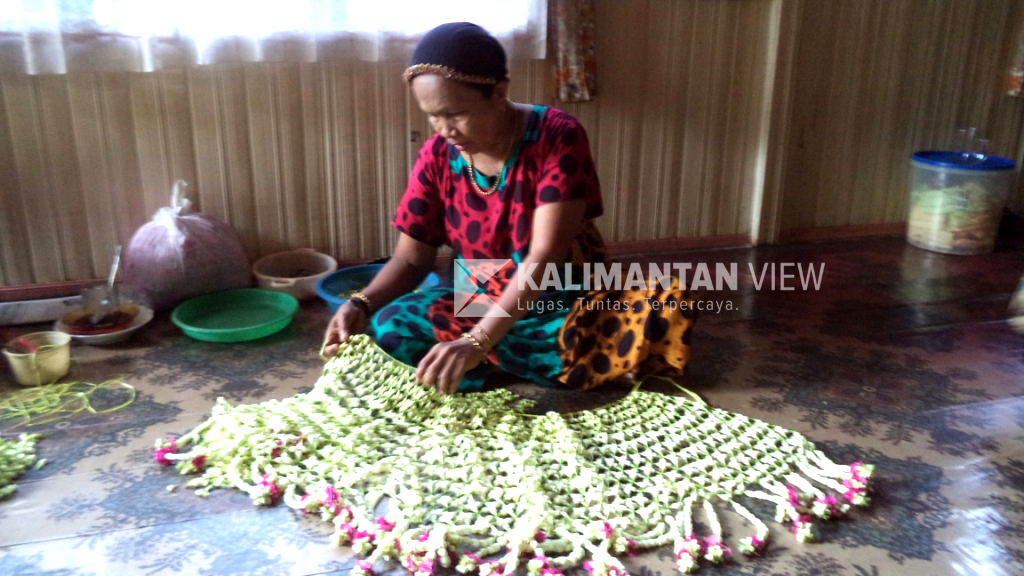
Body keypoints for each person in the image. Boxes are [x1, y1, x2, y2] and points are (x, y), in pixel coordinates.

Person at [323, 22, 697, 394]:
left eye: (455, 113)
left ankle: (494, 358)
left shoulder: (556, 135)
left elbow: (545, 256)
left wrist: (477, 342)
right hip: (482, 298)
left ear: (499, 92)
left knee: (667, 304)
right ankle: (551, 362)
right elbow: (409, 260)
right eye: (432, 116)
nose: (444, 129)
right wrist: (361, 304)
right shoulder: (438, 155)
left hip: (564, 296)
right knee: (388, 324)